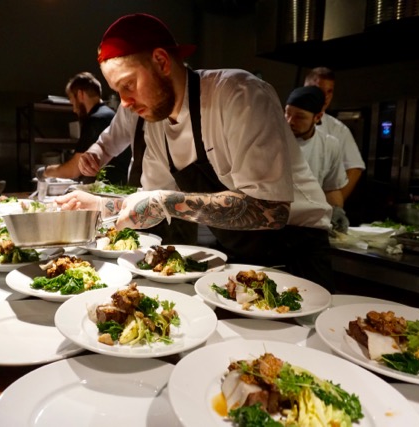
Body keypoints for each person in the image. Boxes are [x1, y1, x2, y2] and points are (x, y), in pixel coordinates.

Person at [56, 13, 335, 292]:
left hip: (297, 250)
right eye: (118, 91)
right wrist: (100, 206)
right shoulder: (156, 123)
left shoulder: (239, 94)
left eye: (128, 85)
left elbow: (272, 211)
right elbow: (151, 204)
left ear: (161, 61)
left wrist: (166, 202)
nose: (125, 103)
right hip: (238, 256)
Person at [36, 72, 131, 185]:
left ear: (80, 94)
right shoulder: (109, 114)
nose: (74, 109)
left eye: (72, 101)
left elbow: (74, 170)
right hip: (121, 186)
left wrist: (45, 171)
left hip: (111, 189)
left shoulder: (96, 119)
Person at [284, 86, 350, 233]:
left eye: (299, 116)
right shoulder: (271, 140)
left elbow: (331, 188)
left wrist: (336, 211)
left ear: (318, 117)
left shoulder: (330, 145)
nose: (290, 121)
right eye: (287, 113)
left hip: (309, 227)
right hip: (275, 223)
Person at [304, 67, 365, 202]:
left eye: (329, 91)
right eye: (320, 90)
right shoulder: (282, 124)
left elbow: (354, 168)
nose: (325, 97)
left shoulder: (337, 131)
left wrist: (332, 207)